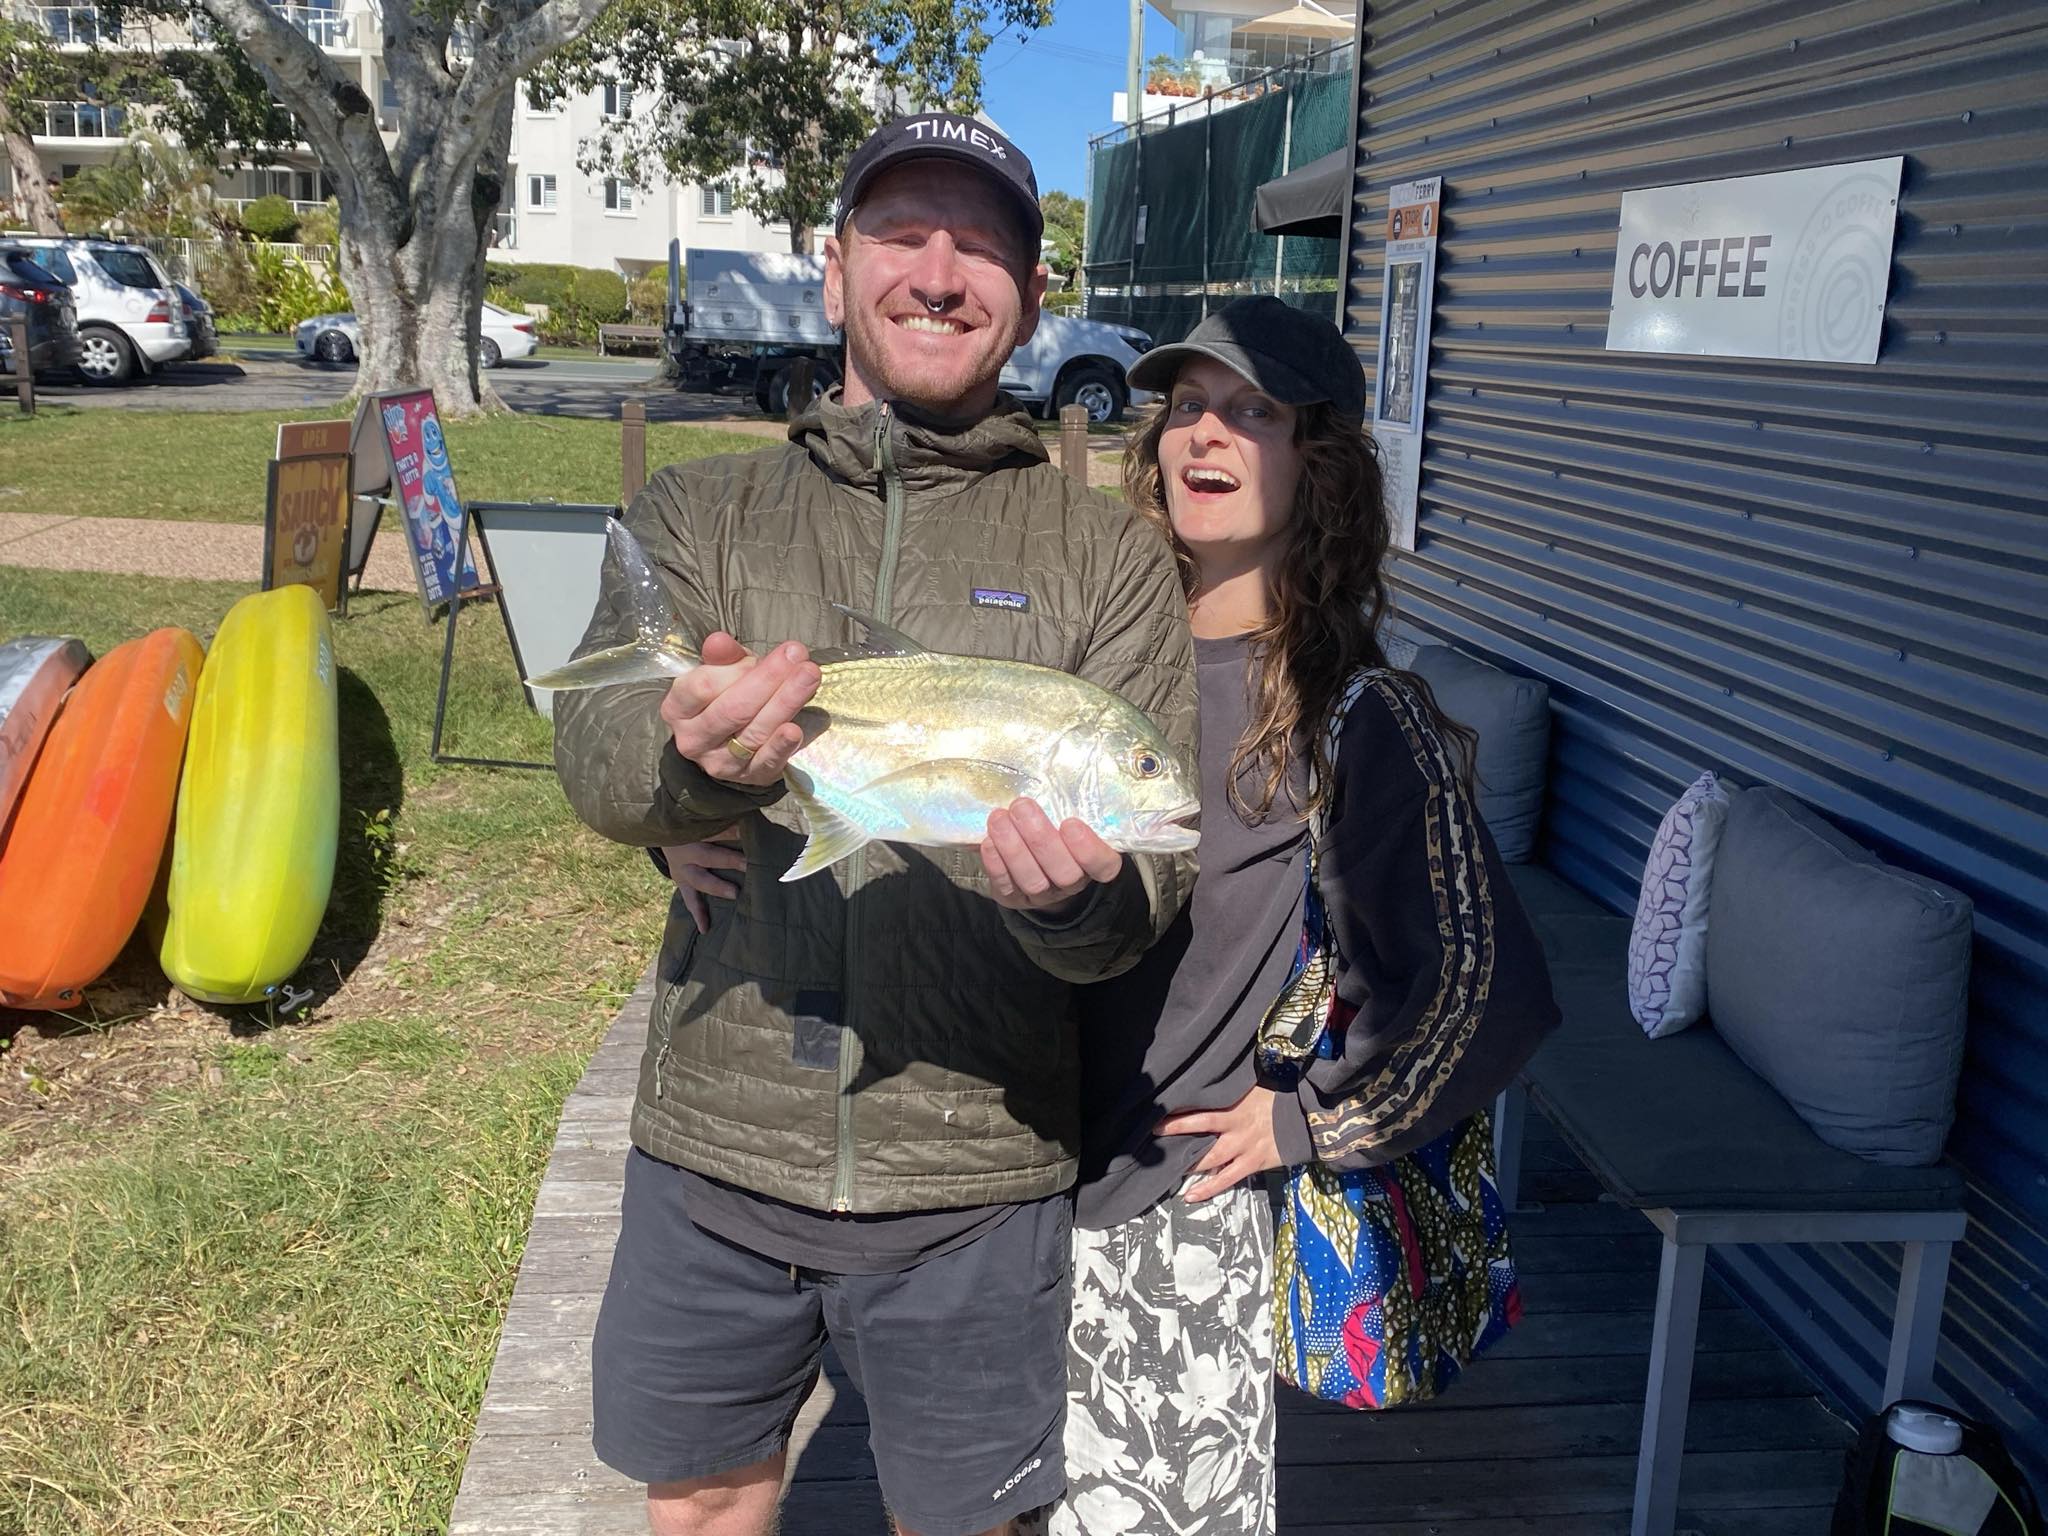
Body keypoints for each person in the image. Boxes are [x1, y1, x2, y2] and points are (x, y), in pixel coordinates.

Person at [672, 298, 1561, 1530]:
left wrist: (1310, 1118)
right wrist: (699, 811)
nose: (1205, 433)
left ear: (1321, 463)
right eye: (1186, 405)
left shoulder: (1349, 716)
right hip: (986, 1184)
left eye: (1252, 411)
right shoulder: (1076, 656)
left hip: (1158, 1205)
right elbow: (887, 761)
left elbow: (1483, 984)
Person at [549, 115, 1198, 1536]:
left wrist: (1074, 901)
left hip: (977, 1169)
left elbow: (1143, 896)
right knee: (702, 1505)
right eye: (902, 235)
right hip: (718, 1140)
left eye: (982, 248)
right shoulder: (702, 509)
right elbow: (597, 761)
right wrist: (691, 770)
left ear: (1030, 293)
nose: (940, 273)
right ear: (835, 268)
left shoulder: (1106, 556)